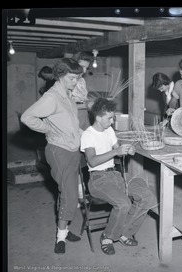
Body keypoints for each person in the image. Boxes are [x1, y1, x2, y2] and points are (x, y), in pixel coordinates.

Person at [21, 58, 84, 254]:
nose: (75, 82)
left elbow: (71, 124)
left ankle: (64, 230)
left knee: (66, 192)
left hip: (73, 149)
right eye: (72, 78)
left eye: (77, 78)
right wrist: (47, 128)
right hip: (59, 151)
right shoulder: (51, 97)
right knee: (70, 194)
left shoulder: (67, 94)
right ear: (60, 76)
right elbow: (26, 117)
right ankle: (60, 238)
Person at [80, 98, 156, 255]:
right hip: (98, 180)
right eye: (109, 118)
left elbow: (117, 147)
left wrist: (127, 150)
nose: (112, 121)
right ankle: (107, 237)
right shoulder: (88, 135)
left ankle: (124, 233)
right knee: (124, 203)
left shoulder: (108, 130)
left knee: (148, 196)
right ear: (99, 117)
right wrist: (116, 152)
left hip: (115, 175)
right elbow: (92, 162)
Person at [71, 51, 94, 130]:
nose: (84, 71)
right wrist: (87, 105)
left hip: (83, 115)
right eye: (82, 66)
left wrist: (95, 102)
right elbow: (65, 105)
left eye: (86, 68)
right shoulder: (66, 81)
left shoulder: (81, 80)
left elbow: (83, 99)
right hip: (71, 118)